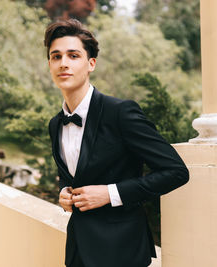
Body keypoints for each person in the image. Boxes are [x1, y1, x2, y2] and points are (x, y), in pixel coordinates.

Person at [46, 19, 189, 267]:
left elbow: (176, 172)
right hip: (78, 250)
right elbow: (70, 174)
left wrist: (109, 194)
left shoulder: (120, 112)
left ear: (91, 63)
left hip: (122, 250)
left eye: (73, 55)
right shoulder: (55, 124)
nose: (63, 63)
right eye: (56, 56)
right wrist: (64, 192)